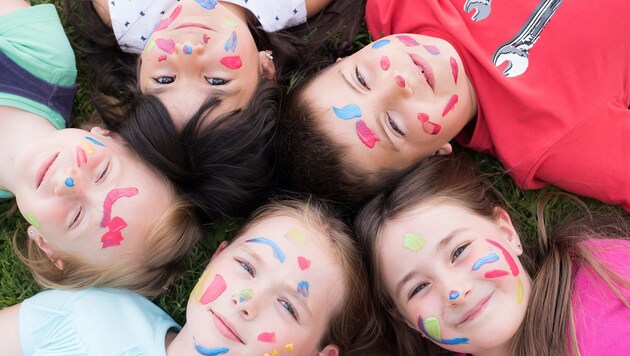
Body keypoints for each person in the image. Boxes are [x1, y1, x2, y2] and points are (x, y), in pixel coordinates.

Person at [277, 0, 630, 210]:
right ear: (432, 157)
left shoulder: (395, 5)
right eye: (395, 125)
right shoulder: (548, 140)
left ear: (347, 56)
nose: (397, 83)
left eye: (361, 79)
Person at [0, 0, 201, 296]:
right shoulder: (40, 58)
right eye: (103, 172)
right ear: (111, 136)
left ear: (46, 245)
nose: (70, 183)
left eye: (76, 217)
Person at [0, 198, 371, 355]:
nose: (247, 302)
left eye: (288, 306)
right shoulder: (92, 312)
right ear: (216, 259)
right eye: (246, 267)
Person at [355, 154, 630, 355]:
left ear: (507, 232)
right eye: (418, 288)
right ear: (404, 319)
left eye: (459, 251)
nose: (455, 292)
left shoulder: (607, 274)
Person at [65, 0, 360, 129]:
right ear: (264, 69)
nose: (189, 52)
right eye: (216, 81)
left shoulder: (126, 14)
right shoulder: (287, 3)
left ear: (141, 67)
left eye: (165, 79)